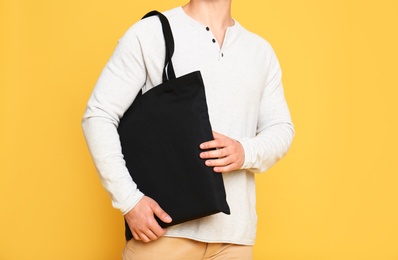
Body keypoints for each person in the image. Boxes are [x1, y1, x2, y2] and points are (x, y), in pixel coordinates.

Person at [82, 0, 294, 259]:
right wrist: (129, 200)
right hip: (165, 233)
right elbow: (99, 115)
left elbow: (281, 128)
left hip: (235, 240)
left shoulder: (260, 51)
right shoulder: (150, 33)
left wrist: (244, 151)